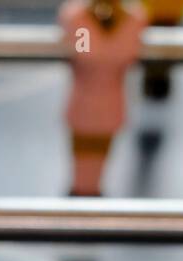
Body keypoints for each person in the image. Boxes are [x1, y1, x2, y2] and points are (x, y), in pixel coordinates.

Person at [59, 0, 148, 196]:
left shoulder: (78, 17)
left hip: (102, 104)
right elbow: (88, 54)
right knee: (83, 167)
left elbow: (86, 54)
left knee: (96, 167)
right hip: (92, 104)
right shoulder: (79, 18)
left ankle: (87, 199)